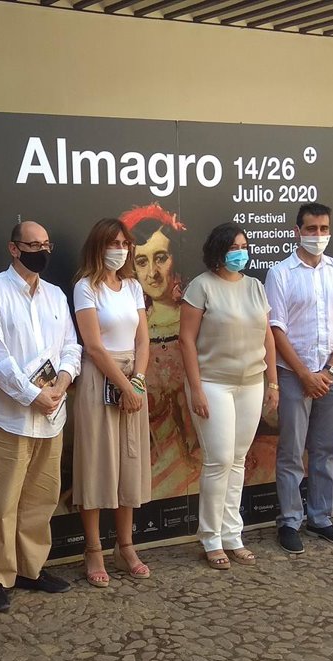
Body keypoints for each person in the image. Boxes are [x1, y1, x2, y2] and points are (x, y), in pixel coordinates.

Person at [0, 220, 81, 613]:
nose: (42, 252)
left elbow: (71, 346)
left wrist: (62, 382)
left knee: (41, 498)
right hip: (8, 418)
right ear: (14, 248)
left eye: (46, 244)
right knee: (1, 504)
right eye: (33, 245)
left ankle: (31, 569)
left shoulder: (55, 295)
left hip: (52, 416)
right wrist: (34, 395)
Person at [179, 223, 279, 570]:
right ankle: (210, 538)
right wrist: (196, 388)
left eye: (244, 246)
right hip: (212, 384)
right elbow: (186, 340)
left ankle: (232, 535)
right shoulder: (201, 286)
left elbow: (268, 336)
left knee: (237, 460)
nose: (241, 252)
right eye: (234, 247)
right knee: (219, 459)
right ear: (219, 250)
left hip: (251, 383)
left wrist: (273, 383)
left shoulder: (255, 286)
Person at [264, 203, 333, 554]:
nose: (318, 235)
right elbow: (275, 329)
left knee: (325, 450)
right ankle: (290, 521)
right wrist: (305, 374)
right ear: (297, 231)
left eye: (323, 229)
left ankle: (320, 518)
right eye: (311, 229)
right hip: (294, 375)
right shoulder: (280, 273)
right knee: (291, 452)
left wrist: (329, 371)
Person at [71, 218, 152, 587]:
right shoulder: (85, 287)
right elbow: (93, 345)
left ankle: (126, 546)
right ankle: (93, 549)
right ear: (98, 246)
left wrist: (137, 382)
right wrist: (124, 386)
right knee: (96, 462)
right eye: (113, 243)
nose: (120, 249)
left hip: (133, 378)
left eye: (124, 243)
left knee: (129, 463)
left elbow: (143, 340)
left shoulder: (132, 286)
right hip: (99, 379)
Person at [121, 204, 201, 500]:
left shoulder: (196, 316)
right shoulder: (132, 324)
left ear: (175, 259)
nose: (152, 273)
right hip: (152, 460)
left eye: (161, 258)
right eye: (141, 262)